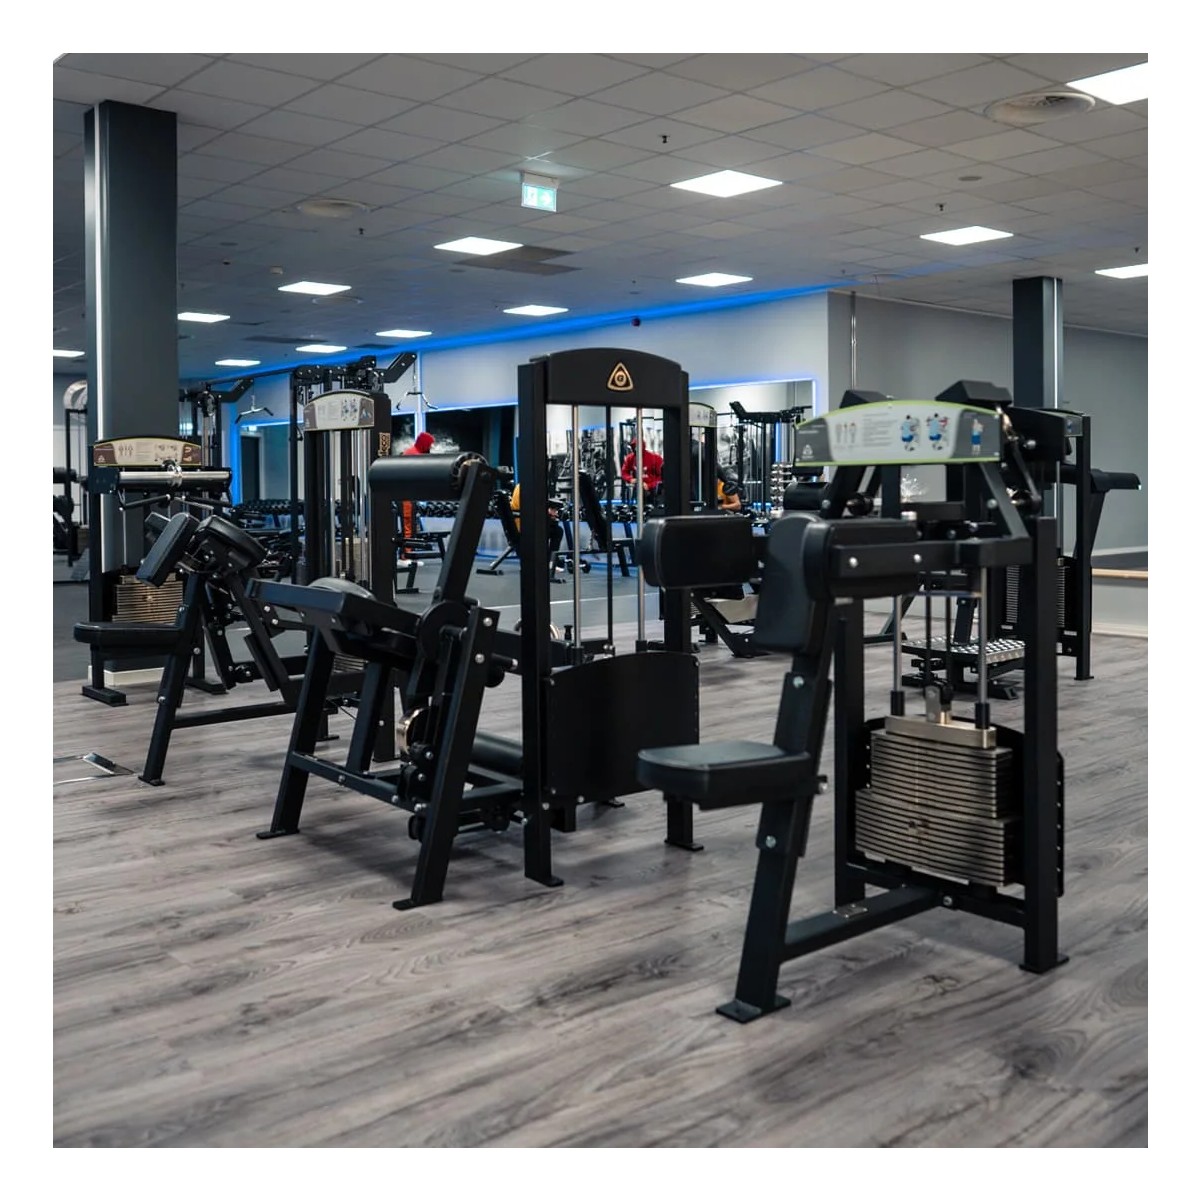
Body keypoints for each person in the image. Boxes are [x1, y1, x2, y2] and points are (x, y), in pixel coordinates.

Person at [511, 481, 566, 573]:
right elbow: (530, 508)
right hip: (526, 525)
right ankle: (549, 561)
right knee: (555, 530)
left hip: (529, 522)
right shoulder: (526, 488)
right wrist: (548, 512)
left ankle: (550, 561)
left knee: (556, 529)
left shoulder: (523, 486)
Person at [400, 431, 434, 542]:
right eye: (429, 445)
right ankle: (407, 551)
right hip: (406, 494)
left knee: (410, 523)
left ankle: (410, 548)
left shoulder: (414, 452)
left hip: (410, 493)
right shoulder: (413, 454)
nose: (430, 447)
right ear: (424, 443)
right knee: (408, 523)